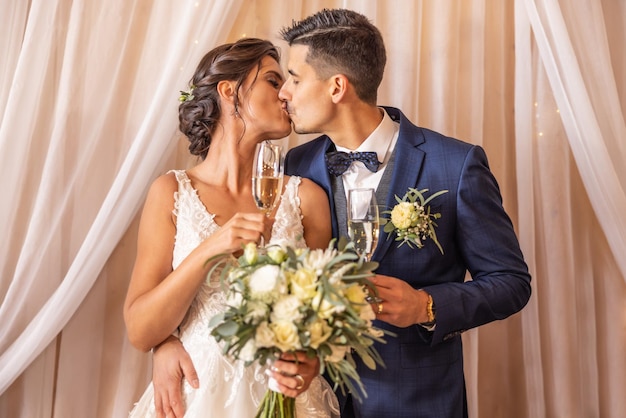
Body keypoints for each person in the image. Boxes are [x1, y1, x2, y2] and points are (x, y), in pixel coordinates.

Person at [150, 9, 532, 418]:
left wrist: (427, 306)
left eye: (294, 79)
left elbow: (511, 282)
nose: (284, 94)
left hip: (416, 401)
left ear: (336, 87)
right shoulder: (291, 168)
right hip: (311, 399)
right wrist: (168, 341)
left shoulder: (454, 165)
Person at [124, 37, 339, 418]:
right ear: (229, 91)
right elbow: (140, 330)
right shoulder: (171, 192)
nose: (287, 94)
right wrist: (211, 248)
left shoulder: (306, 197)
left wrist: (310, 361)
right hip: (197, 398)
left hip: (288, 402)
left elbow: (323, 324)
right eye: (273, 81)